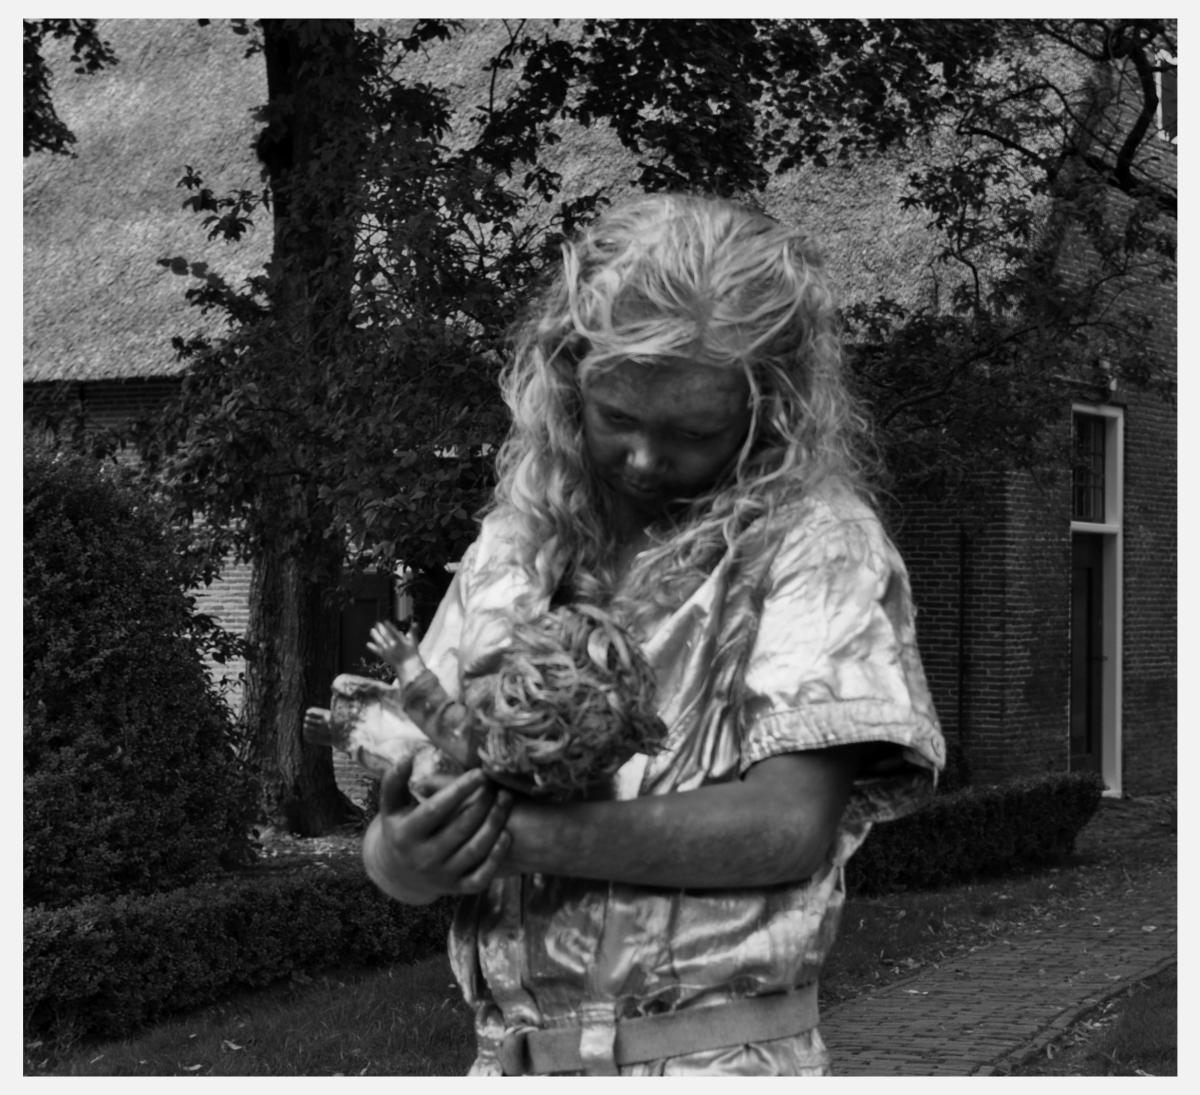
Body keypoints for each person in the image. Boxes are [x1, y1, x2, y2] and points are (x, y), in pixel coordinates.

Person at [362, 193, 945, 1076]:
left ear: (772, 407)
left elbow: (788, 824)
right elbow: (411, 802)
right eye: (616, 417)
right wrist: (405, 856)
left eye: (691, 431)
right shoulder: (517, 544)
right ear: (570, 380)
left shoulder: (814, 542)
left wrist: (521, 837)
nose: (642, 458)